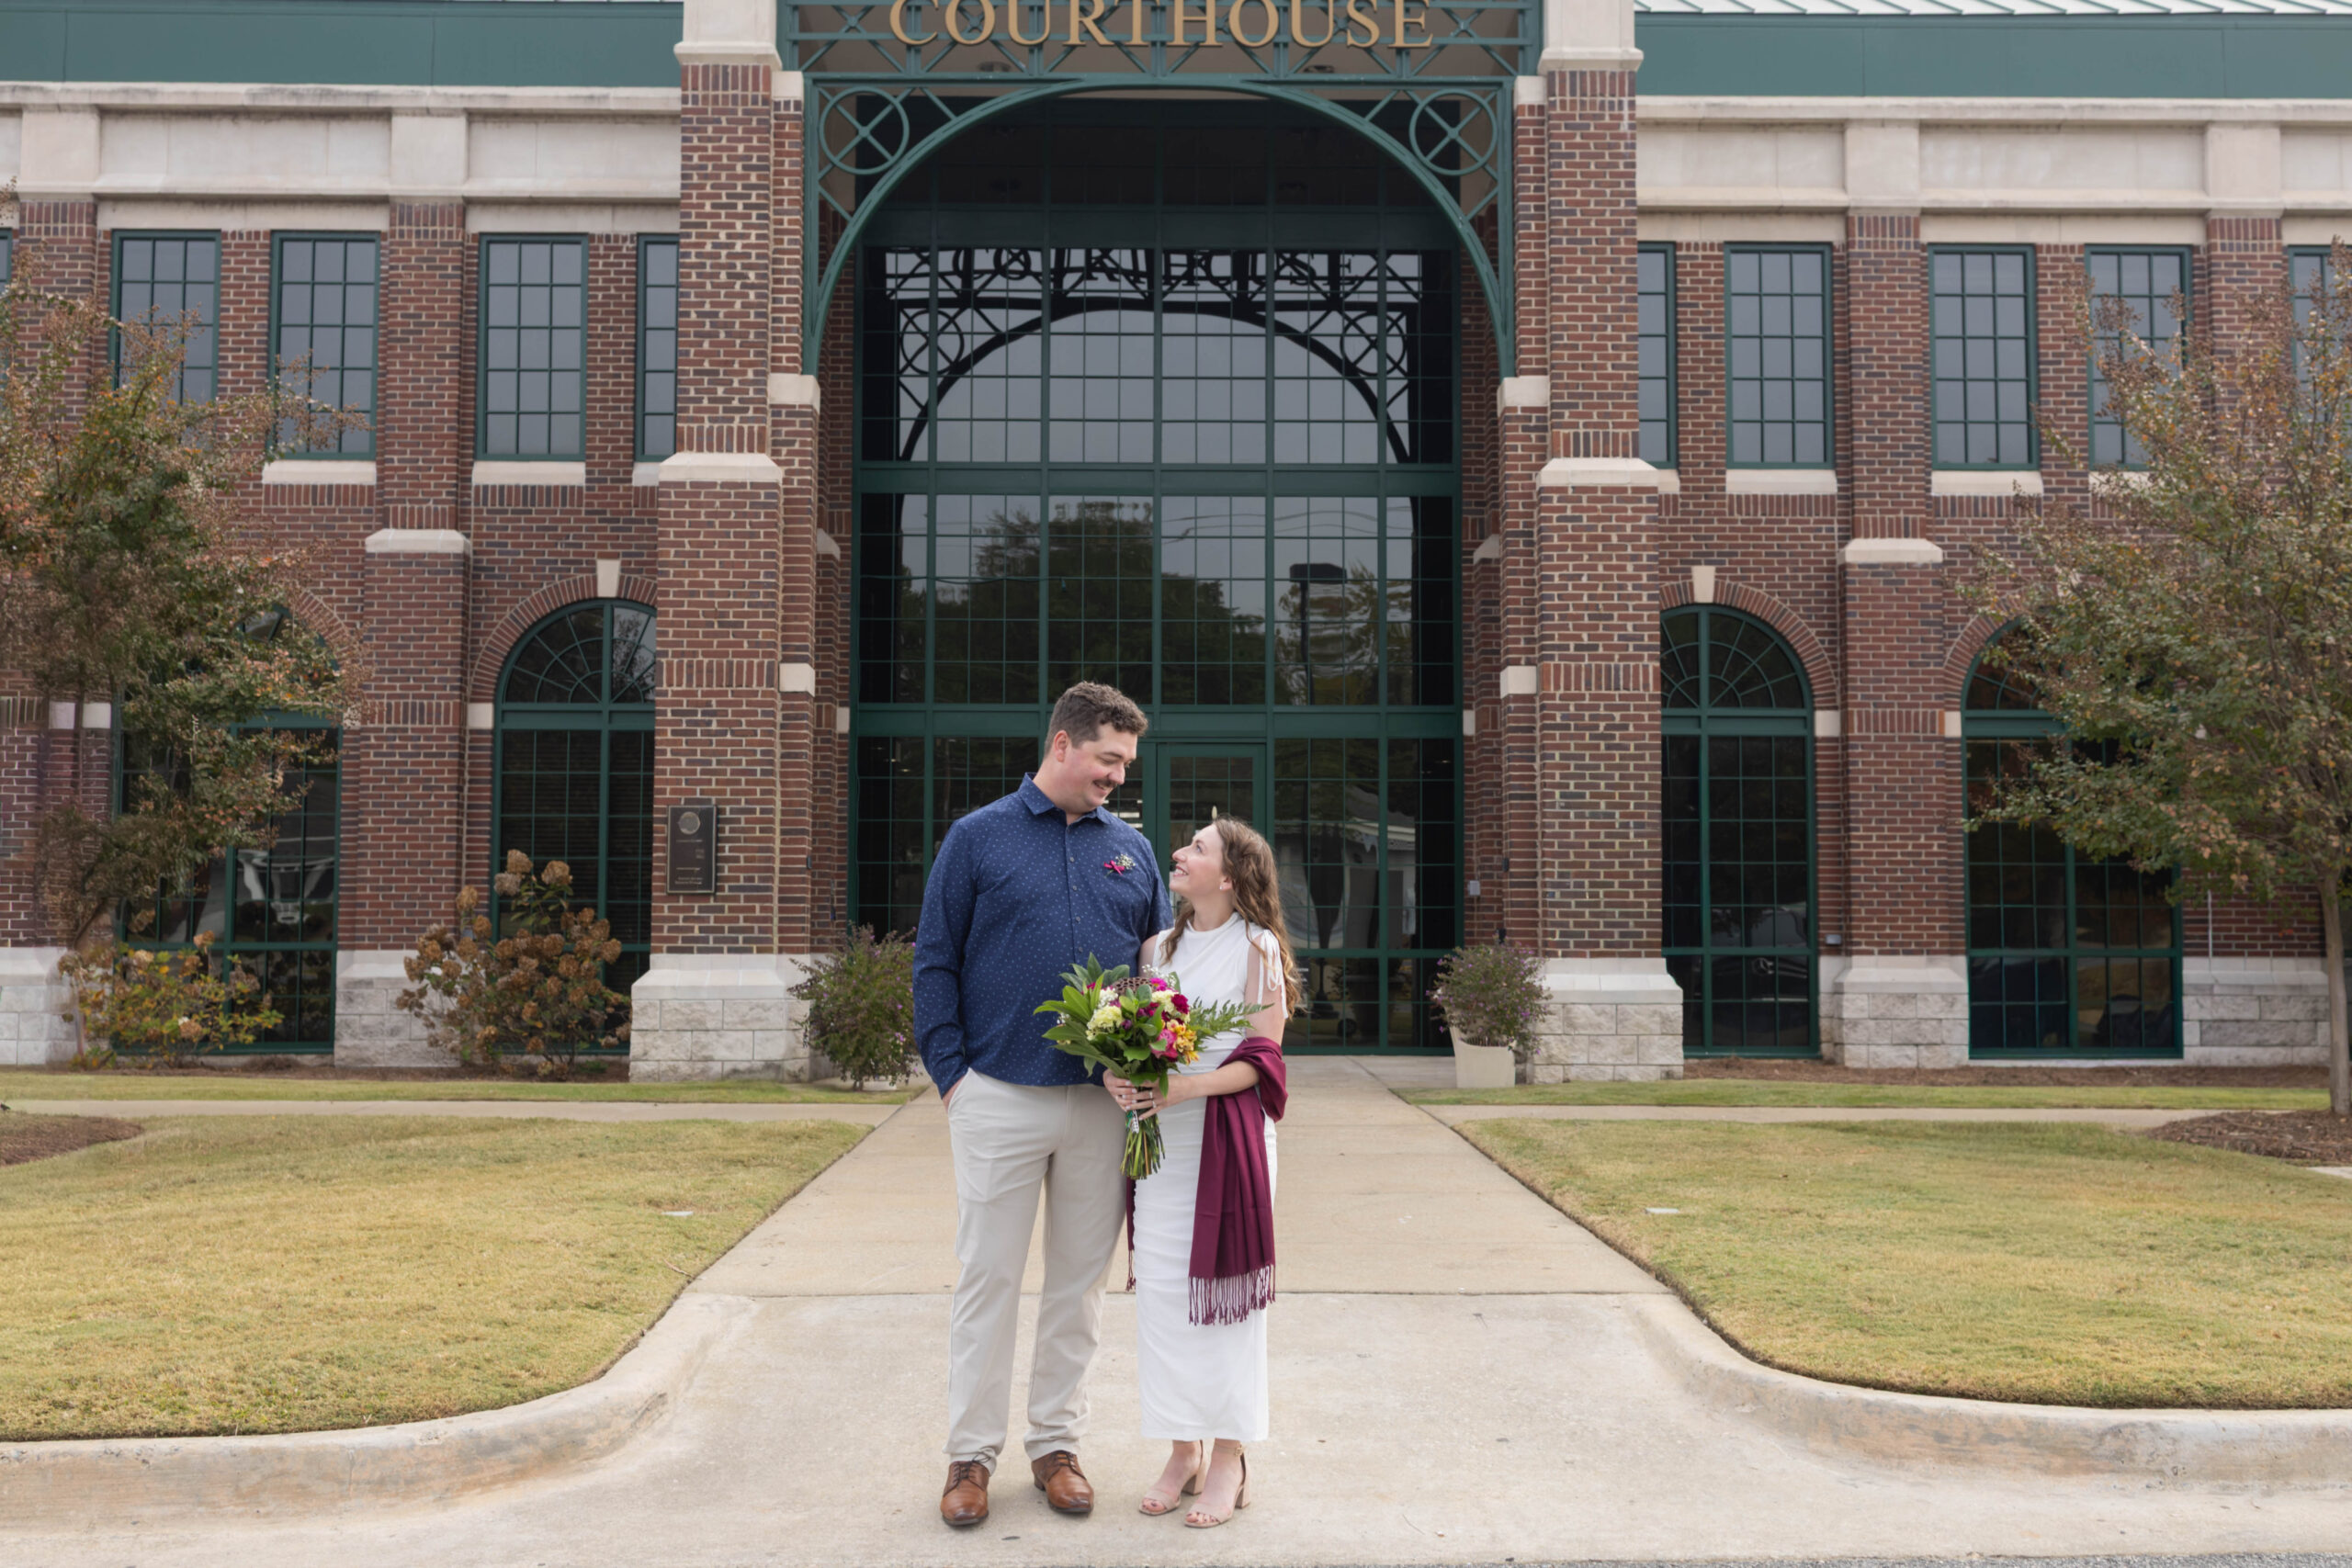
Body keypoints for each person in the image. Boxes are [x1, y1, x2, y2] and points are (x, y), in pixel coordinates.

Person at [912, 682, 1170, 1530]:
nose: (1117, 779)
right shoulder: (976, 838)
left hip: (1100, 1109)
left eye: (1124, 765)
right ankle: (970, 1457)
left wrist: (1147, 1068)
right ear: (1062, 745)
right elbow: (935, 961)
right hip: (997, 1096)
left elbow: (1157, 979)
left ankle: (1056, 1445)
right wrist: (954, 1077)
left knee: (1077, 1287)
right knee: (987, 1278)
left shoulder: (1132, 852)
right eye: (1108, 760)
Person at [1105, 817, 1295, 1529]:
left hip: (1227, 1141)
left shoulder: (1259, 947)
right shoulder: (1157, 948)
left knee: (1227, 1299)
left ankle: (1228, 1456)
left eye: (1198, 848)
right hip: (1159, 1147)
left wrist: (1186, 1086)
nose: (1179, 854)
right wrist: (1120, 1080)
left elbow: (1264, 1060)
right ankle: (1182, 1446)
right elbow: (1129, 1043)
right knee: (1161, 1294)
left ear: (1231, 875)